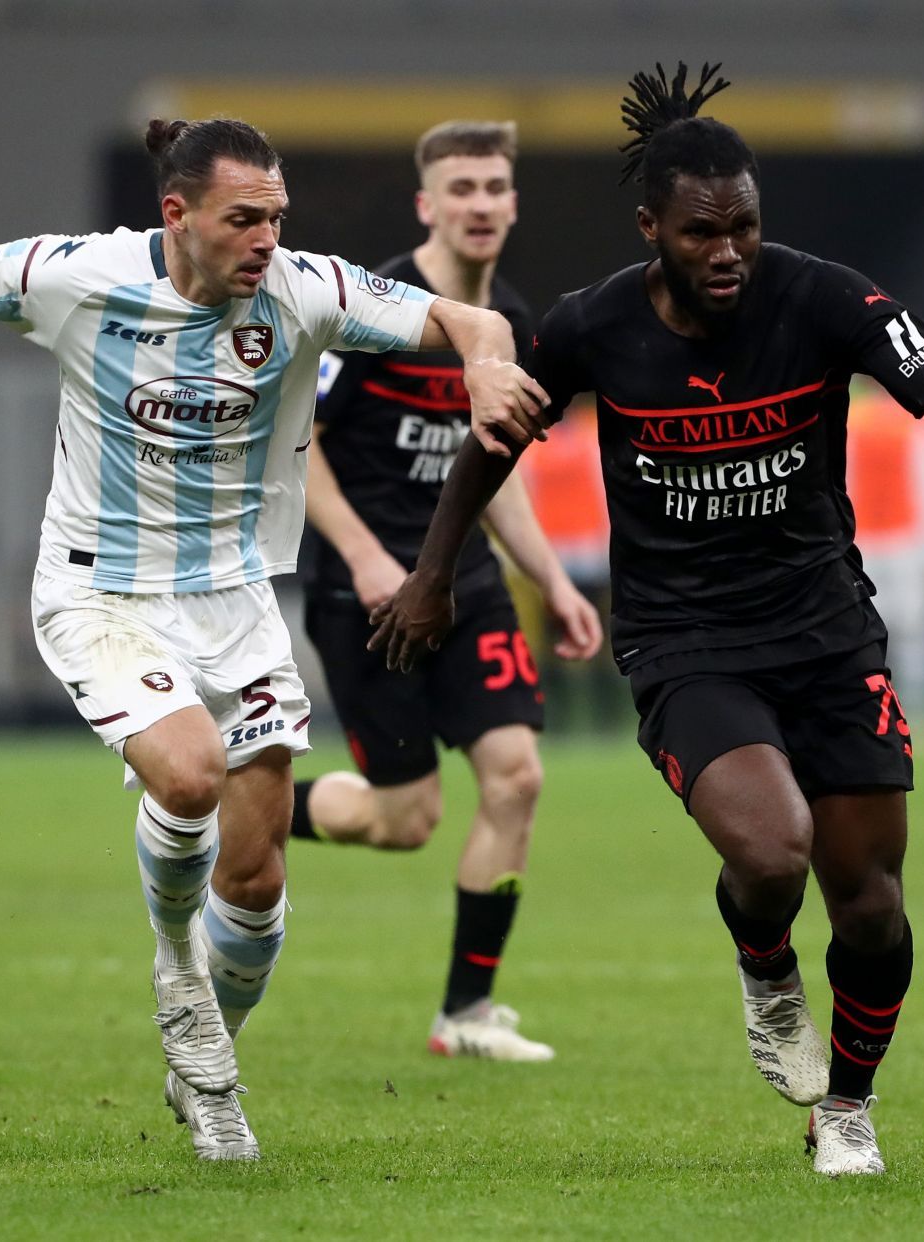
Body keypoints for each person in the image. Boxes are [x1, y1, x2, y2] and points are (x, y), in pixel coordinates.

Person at [0, 117, 546, 1162]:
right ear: (177, 216)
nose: (267, 238)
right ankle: (177, 970)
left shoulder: (309, 290)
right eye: (243, 219)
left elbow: (468, 322)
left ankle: (204, 1059)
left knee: (258, 886)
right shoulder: (71, 276)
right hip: (101, 597)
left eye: (277, 217)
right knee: (187, 775)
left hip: (236, 601)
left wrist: (487, 367)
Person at [370, 64, 924, 1177]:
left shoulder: (819, 297)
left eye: (746, 228)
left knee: (870, 903)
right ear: (652, 228)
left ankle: (849, 1111)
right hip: (686, 643)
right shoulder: (592, 326)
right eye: (702, 232)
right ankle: (767, 973)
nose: (729, 253)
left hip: (827, 631)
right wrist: (432, 574)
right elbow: (494, 443)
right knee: (775, 852)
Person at [293, 120, 603, 1063]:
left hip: (465, 584)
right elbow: (292, 451)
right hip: (369, 593)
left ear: (513, 204)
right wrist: (364, 558)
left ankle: (465, 1016)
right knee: (405, 819)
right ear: (428, 204)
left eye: (494, 187)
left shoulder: (509, 319)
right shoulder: (373, 308)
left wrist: (553, 579)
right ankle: (248, 799)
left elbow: (493, 476)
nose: (479, 203)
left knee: (516, 776)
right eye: (460, 187)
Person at [846, 379, 924, 731]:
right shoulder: (860, 420)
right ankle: (904, 718)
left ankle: (892, 717)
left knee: (889, 634)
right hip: (884, 542)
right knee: (907, 634)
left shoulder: (857, 420)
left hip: (887, 542)